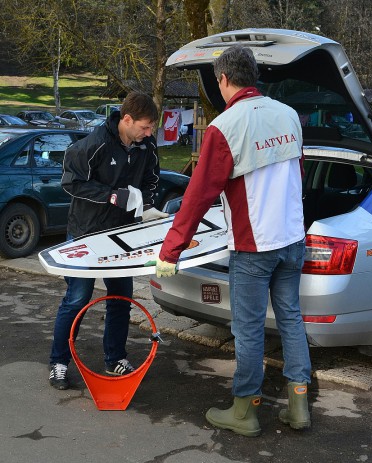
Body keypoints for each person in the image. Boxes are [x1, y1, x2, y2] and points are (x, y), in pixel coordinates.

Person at [154, 45, 311, 437]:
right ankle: (299, 405)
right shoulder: (289, 115)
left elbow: (198, 196)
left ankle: (245, 411)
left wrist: (171, 249)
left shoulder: (225, 126)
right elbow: (298, 174)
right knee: (291, 318)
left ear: (223, 79)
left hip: (253, 247)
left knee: (249, 328)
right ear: (254, 76)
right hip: (292, 238)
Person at [49, 91, 167, 390]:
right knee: (77, 299)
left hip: (122, 237)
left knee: (121, 299)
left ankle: (115, 357)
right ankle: (59, 362)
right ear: (126, 119)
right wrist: (112, 196)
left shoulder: (146, 146)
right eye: (145, 126)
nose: (149, 133)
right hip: (86, 233)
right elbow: (71, 183)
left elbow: (151, 178)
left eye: (151, 128)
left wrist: (148, 205)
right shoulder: (93, 145)